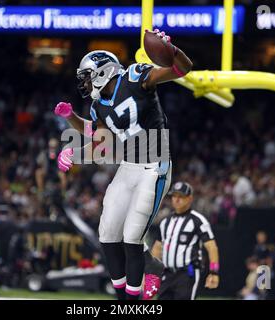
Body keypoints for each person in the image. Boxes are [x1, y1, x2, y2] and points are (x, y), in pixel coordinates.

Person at [54, 29, 193, 300]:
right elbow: (99, 138)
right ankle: (130, 290)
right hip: (129, 165)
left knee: (131, 236)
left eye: (87, 77)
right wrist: (71, 123)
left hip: (154, 165)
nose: (84, 84)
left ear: (102, 72)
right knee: (107, 232)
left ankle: (134, 299)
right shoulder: (98, 105)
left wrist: (172, 51)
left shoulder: (134, 77)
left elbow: (181, 70)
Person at [150, 182, 220, 300]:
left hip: (188, 273)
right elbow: (157, 247)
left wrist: (214, 272)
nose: (176, 200)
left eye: (181, 196)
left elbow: (212, 247)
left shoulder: (198, 220)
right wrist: (151, 273)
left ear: (190, 198)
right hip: (166, 274)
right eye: (174, 196)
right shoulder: (165, 222)